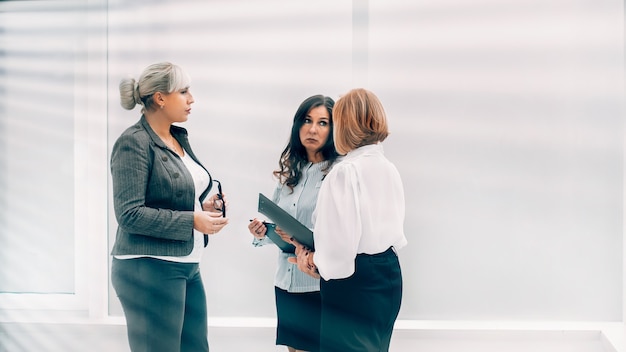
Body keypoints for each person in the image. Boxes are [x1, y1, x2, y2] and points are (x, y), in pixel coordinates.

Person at [110, 62, 229, 352]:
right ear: (160, 98)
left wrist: (203, 206)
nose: (192, 99)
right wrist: (192, 220)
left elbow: (169, 195)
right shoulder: (133, 143)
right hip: (148, 267)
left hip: (186, 264)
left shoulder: (177, 139)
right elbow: (129, 214)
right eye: (184, 91)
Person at [289, 88, 407, 352]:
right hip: (389, 273)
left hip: (354, 283)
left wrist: (312, 261)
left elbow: (338, 255)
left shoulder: (344, 173)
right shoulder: (388, 168)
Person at [248, 95, 340, 352]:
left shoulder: (339, 172)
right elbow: (278, 225)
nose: (312, 129)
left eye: (323, 123)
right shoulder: (291, 173)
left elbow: (343, 232)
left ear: (334, 129)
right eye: (307, 120)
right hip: (286, 282)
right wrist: (261, 232)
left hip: (318, 283)